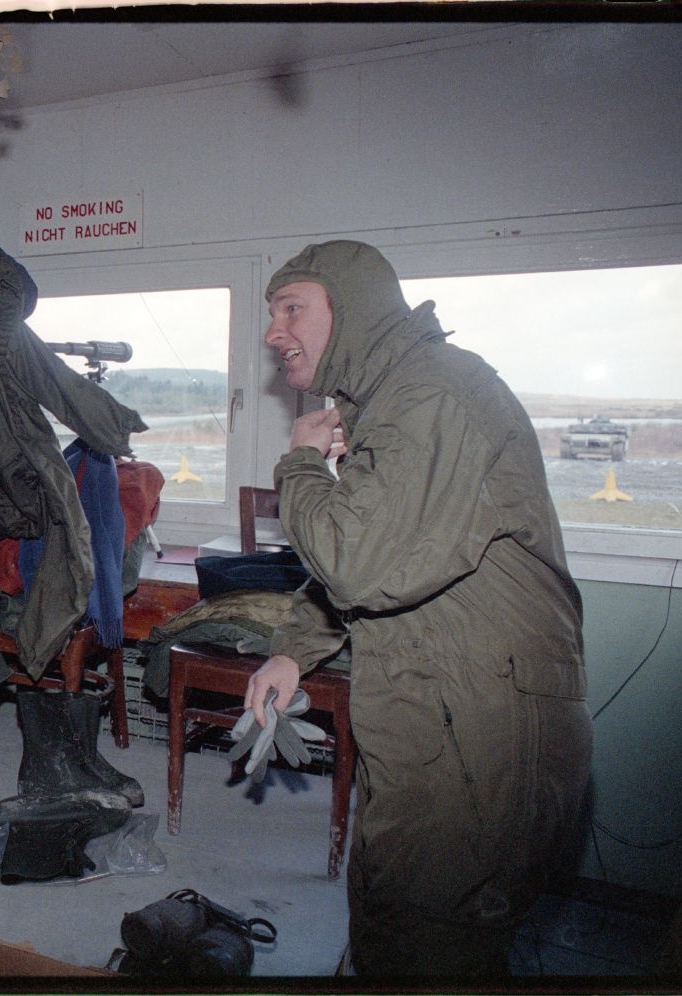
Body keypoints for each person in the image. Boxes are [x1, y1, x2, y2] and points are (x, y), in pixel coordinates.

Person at [244, 240, 592, 976]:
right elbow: (376, 561)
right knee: (389, 911)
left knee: (434, 937)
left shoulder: (433, 395)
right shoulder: (394, 399)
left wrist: (302, 465)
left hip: (478, 734)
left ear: (352, 309)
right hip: (428, 714)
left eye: (291, 308)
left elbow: (359, 564)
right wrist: (292, 650)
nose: (274, 331)